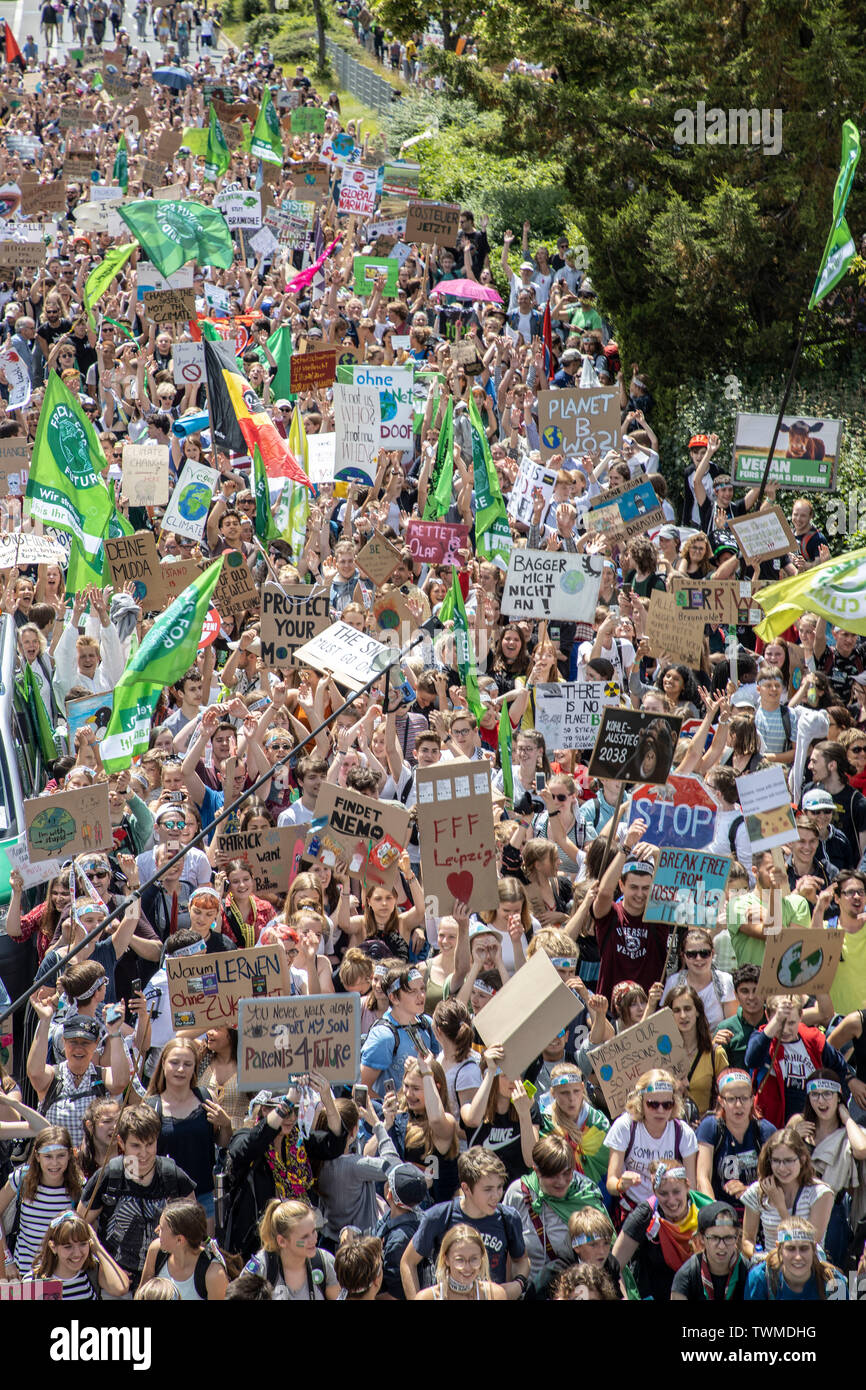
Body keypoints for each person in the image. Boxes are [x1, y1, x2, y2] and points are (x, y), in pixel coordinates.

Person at [221, 1080, 346, 1260]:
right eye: (286, 1111)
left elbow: (334, 1144)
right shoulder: (245, 1136)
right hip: (259, 1244)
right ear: (264, 1110)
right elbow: (250, 1146)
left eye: (295, 1111)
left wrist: (327, 1098)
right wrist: (287, 1101)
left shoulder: (299, 1139)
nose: (292, 1118)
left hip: (298, 1240)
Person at [77, 1106, 197, 1293]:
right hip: (117, 1279)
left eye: (150, 1144)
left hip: (164, 1279)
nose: (143, 1153)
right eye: (136, 1145)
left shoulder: (172, 1176)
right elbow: (81, 1224)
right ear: (121, 1142)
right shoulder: (110, 1175)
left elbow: (193, 1228)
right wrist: (105, 1263)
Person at [400, 1148, 530, 1299]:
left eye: (500, 1187)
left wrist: (519, 1283)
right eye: (488, 1189)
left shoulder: (508, 1218)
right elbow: (408, 1262)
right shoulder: (440, 1216)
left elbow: (521, 1259)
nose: (496, 1196)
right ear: (466, 1188)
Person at [502, 1134, 606, 1294]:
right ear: (537, 1171)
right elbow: (507, 1251)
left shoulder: (585, 1194)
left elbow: (603, 1252)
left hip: (576, 1292)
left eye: (566, 1173)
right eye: (553, 1175)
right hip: (529, 1293)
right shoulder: (517, 1193)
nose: (561, 1181)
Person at [611, 1159, 714, 1302]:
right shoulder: (645, 1215)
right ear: (654, 1192)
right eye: (663, 1193)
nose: (671, 1201)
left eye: (676, 1192)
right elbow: (613, 1265)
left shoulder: (707, 1212)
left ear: (688, 1187)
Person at [605, 1070, 699, 1220]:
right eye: (653, 1104)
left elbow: (692, 1187)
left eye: (667, 1104)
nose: (660, 1110)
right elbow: (611, 1182)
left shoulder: (683, 1132)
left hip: (671, 1210)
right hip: (633, 1209)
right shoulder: (625, 1127)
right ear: (640, 1102)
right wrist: (621, 1184)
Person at [0, 1126, 84, 1278]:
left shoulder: (78, 1185)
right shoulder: (21, 1178)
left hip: (64, 1276)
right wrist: (6, 1259)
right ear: (37, 1157)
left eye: (61, 1156)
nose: (54, 1163)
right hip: (24, 1273)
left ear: (70, 1155)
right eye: (48, 1156)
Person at [740, 1126, 833, 1257]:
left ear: (802, 1159)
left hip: (808, 1267)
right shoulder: (758, 1191)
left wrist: (781, 1207)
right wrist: (760, 1258)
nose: (782, 1168)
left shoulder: (820, 1193)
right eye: (776, 1161)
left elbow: (808, 1244)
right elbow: (747, 1240)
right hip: (770, 1263)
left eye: (789, 1161)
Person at [696, 1069, 776, 1212]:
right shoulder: (710, 1127)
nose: (738, 1105)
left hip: (757, 1209)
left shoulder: (765, 1131)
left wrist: (748, 1191)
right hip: (720, 1209)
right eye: (731, 1099)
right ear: (721, 1101)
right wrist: (715, 1213)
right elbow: (703, 1177)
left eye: (744, 1098)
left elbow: (775, 1179)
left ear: (752, 1100)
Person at [242, 1198, 340, 1300]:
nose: (314, 1239)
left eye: (314, 1231)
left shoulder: (324, 1263)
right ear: (282, 1241)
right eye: (304, 1237)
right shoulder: (262, 1268)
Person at [25, 1211, 130, 1300]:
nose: (77, 1253)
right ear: (53, 1247)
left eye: (83, 1244)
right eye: (68, 1247)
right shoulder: (33, 1281)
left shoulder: (92, 1271)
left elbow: (121, 1288)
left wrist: (98, 1248)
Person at [141, 1199, 228, 1300]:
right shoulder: (156, 1251)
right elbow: (141, 1296)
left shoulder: (214, 1274)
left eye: (162, 1229)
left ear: (179, 1240)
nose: (157, 1231)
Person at [744, 1216, 848, 1300]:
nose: (798, 1257)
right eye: (790, 1248)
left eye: (804, 1248)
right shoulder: (761, 1278)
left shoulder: (834, 1282)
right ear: (779, 1249)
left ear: (814, 1249)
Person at [670, 1201, 750, 1302]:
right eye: (714, 1238)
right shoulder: (687, 1275)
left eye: (728, 1238)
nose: (721, 1246)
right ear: (702, 1238)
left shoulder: (749, 1272)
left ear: (737, 1237)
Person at [412, 1222, 508, 1301]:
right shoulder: (426, 1297)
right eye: (460, 1260)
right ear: (446, 1259)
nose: (467, 1268)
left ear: (481, 1258)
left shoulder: (495, 1295)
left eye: (473, 1259)